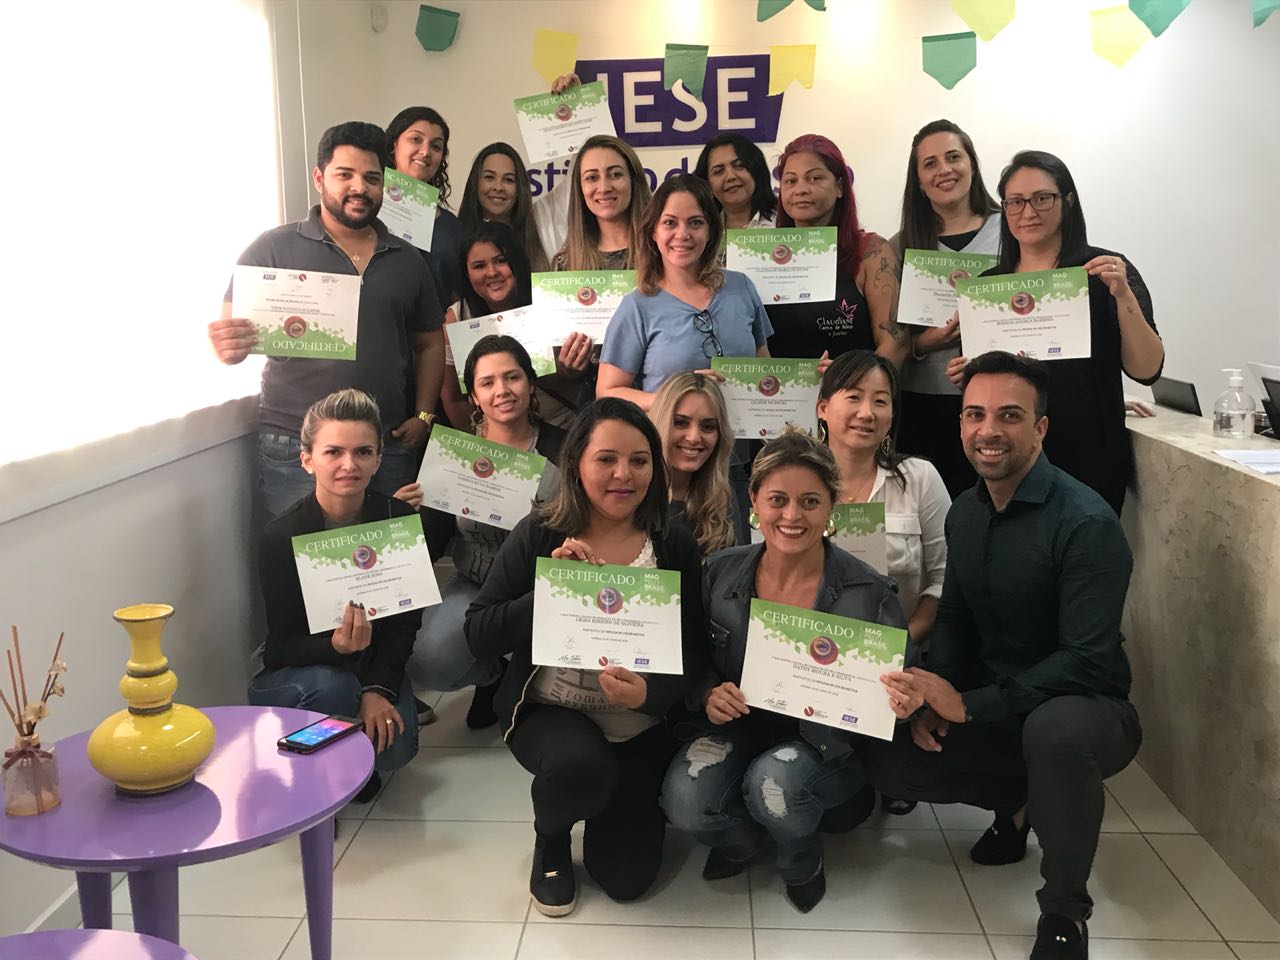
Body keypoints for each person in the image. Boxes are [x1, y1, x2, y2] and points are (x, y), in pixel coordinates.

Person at [871, 352, 1142, 959]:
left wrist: (970, 705)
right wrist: (934, 692)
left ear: (1040, 428)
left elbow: (1086, 659)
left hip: (1086, 708)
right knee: (890, 755)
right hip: (1001, 701)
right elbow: (956, 618)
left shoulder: (1086, 522)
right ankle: (1016, 803)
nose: (987, 430)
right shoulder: (968, 512)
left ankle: (1064, 910)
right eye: (974, 414)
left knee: (1055, 732)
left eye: (1009, 416)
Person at [464, 397, 705, 916]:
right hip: (552, 713)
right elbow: (479, 633)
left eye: (639, 460)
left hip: (640, 725)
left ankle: (607, 797)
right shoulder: (541, 531)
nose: (624, 474)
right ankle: (551, 835)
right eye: (606, 459)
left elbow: (695, 651)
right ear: (576, 463)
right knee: (581, 768)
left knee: (626, 880)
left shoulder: (674, 543)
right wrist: (552, 590)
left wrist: (650, 694)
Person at [661, 429, 907, 913]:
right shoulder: (719, 572)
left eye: (810, 501)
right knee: (685, 802)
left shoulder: (871, 593)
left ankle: (800, 859)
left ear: (832, 506)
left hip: (824, 743)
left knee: (772, 784)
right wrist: (707, 691)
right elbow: (691, 655)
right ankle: (745, 842)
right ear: (753, 500)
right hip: (740, 727)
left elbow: (900, 692)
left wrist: (903, 700)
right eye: (778, 499)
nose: (792, 516)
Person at [208, 121, 445, 519]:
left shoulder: (406, 258)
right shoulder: (272, 249)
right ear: (319, 178)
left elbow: (430, 342)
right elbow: (232, 335)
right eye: (344, 175)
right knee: (298, 551)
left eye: (372, 178)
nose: (359, 187)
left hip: (383, 446)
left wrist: (423, 414)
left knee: (387, 554)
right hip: (295, 447)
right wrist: (227, 347)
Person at [945, 151, 1164, 515]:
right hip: (1008, 457)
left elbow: (1147, 369)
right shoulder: (987, 287)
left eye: (1042, 198)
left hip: (1090, 453)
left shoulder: (1103, 272)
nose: (1028, 212)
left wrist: (1123, 295)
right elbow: (989, 381)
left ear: (1068, 201)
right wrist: (966, 375)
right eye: (1015, 202)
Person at [251, 389, 422, 801]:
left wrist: (378, 688)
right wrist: (335, 647)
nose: (350, 465)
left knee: (398, 748)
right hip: (307, 674)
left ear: (379, 459)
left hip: (370, 667)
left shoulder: (398, 521)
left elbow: (405, 626)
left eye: (363, 452)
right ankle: (315, 770)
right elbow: (279, 648)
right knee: (332, 690)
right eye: (333, 452)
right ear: (307, 459)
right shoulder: (281, 536)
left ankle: (350, 752)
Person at [395, 336, 565, 730]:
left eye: (512, 377)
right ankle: (494, 675)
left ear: (531, 383)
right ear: (473, 396)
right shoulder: (455, 458)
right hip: (477, 584)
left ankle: (523, 673)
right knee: (428, 661)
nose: (502, 390)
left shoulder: (567, 449)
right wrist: (405, 518)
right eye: (487, 383)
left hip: (544, 591)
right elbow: (431, 539)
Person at [597, 174, 773, 410]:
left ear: (711, 230)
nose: (682, 234)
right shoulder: (637, 307)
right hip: (668, 433)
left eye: (695, 223)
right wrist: (675, 397)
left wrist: (810, 379)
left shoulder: (742, 287)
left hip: (744, 432)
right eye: (670, 223)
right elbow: (607, 393)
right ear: (653, 231)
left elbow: (765, 369)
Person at [893, 120, 1001, 498]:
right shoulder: (900, 246)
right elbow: (889, 339)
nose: (944, 170)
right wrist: (926, 343)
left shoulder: (1012, 232)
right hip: (923, 405)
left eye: (953, 157)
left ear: (972, 164)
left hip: (997, 403)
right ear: (919, 182)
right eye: (930, 164)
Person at [817, 350, 949, 647]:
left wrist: (896, 647)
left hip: (901, 656)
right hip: (813, 655)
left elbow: (945, 579)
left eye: (880, 401)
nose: (866, 413)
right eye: (854, 397)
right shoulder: (795, 483)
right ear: (823, 408)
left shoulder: (920, 478)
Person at [766, 135, 908, 370]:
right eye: (790, 181)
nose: (801, 189)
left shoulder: (871, 252)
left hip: (853, 391)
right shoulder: (761, 256)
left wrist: (850, 382)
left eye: (814, 178)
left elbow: (895, 344)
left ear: (840, 187)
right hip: (780, 392)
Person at [439, 222, 591, 431]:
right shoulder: (457, 318)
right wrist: (485, 442)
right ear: (467, 273)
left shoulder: (550, 301)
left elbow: (575, 383)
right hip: (497, 439)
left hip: (562, 429)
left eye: (501, 261)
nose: (492, 272)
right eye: (479, 266)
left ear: (517, 262)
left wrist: (571, 371)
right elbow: (452, 398)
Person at [647, 372, 740, 553]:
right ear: (660, 422)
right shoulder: (631, 492)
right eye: (680, 423)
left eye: (708, 427)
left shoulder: (722, 497)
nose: (694, 437)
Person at [386, 106, 465, 305]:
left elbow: (457, 293)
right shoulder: (365, 213)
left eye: (436, 146)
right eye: (416, 139)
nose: (425, 152)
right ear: (394, 144)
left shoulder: (452, 227)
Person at [552, 133, 652, 271]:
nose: (604, 188)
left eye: (615, 174)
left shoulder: (663, 250)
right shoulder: (566, 264)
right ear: (580, 188)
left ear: (633, 180)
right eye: (592, 177)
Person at [457, 142, 551, 271]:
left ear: (519, 188)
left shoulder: (542, 239)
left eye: (508, 180)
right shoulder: (454, 238)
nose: (498, 187)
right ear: (475, 183)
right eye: (489, 177)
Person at [693, 133, 778, 229]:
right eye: (719, 171)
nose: (730, 176)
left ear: (756, 171)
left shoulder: (783, 222)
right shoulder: (703, 229)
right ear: (707, 184)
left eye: (739, 165)